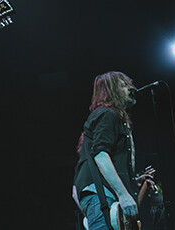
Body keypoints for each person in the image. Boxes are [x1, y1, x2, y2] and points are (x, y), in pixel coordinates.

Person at [73, 71, 154, 230]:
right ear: (112, 91)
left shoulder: (115, 119)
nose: (131, 88)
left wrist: (132, 182)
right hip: (100, 194)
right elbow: (100, 155)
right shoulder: (107, 114)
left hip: (106, 193)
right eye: (124, 85)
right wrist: (124, 195)